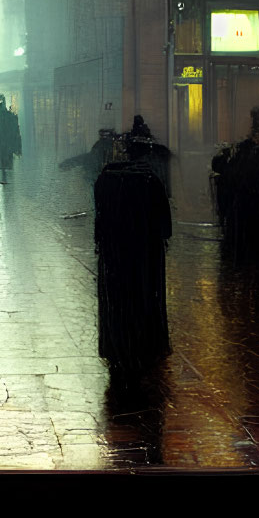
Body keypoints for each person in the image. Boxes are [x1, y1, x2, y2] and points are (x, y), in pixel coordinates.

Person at [93, 134, 173, 384]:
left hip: (114, 257)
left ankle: (118, 345)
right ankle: (143, 345)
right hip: (144, 257)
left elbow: (99, 224)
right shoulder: (151, 182)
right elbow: (165, 228)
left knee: (118, 301)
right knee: (144, 298)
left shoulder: (105, 182)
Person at [222, 108, 259, 265]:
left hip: (245, 203)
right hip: (257, 204)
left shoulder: (242, 158)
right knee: (258, 235)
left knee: (245, 234)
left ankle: (245, 261)